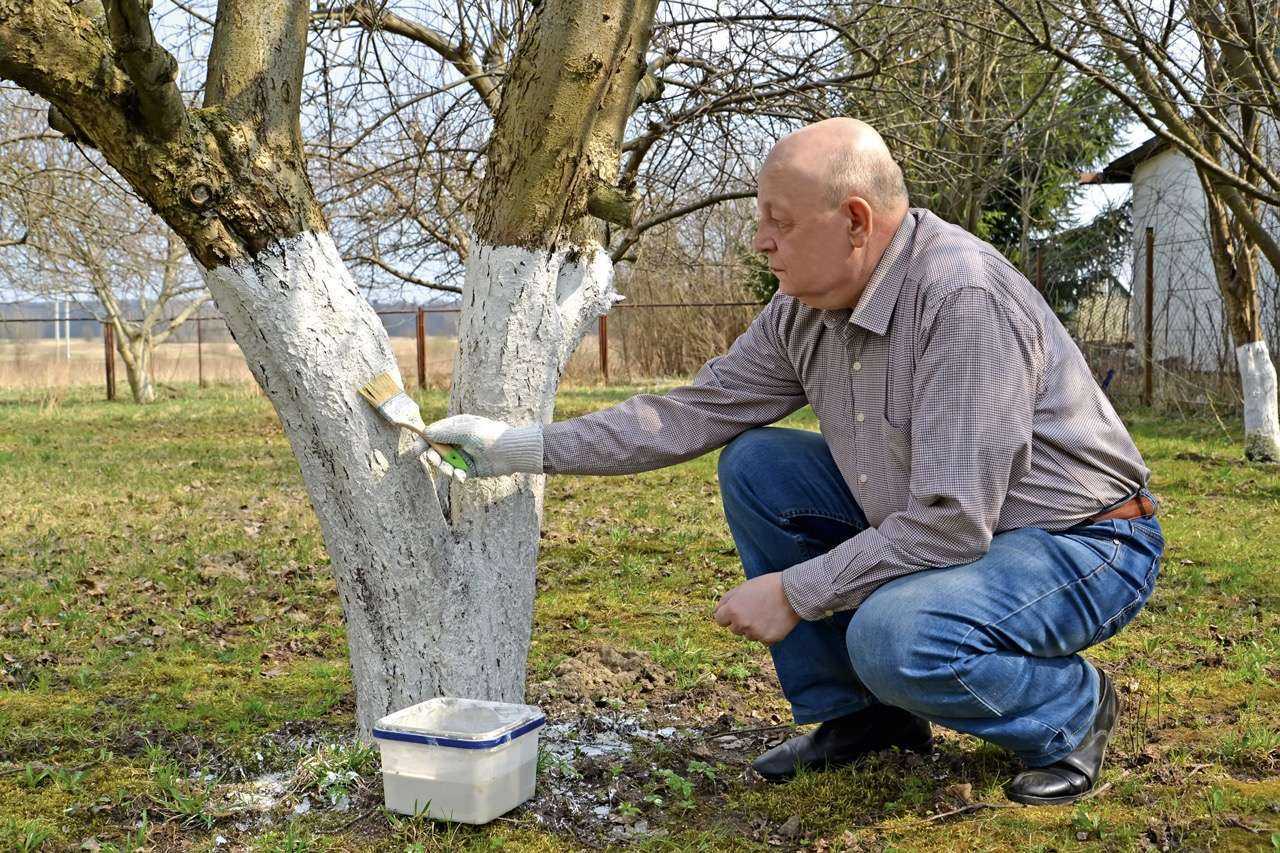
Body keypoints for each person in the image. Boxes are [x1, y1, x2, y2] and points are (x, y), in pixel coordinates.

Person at [423, 117, 1164, 805]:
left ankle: (1071, 710)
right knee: (758, 464)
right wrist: (514, 446)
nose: (758, 241)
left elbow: (950, 525)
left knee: (894, 635)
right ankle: (864, 720)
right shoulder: (804, 312)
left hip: (1082, 543)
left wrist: (798, 591)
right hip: (964, 530)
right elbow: (687, 412)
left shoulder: (959, 298)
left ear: (854, 221)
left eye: (778, 221)